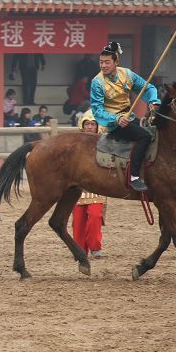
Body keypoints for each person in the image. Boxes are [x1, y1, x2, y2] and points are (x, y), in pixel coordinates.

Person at [90, 41, 160, 192]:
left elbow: (147, 88)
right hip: (113, 123)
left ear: (116, 62)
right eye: (101, 62)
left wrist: (153, 100)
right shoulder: (97, 82)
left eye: (107, 62)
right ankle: (134, 176)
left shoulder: (127, 74)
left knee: (153, 131)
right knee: (145, 137)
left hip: (128, 117)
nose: (103, 66)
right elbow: (97, 110)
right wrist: (115, 119)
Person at [72, 109, 107, 258]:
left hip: (97, 187)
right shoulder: (75, 144)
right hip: (78, 187)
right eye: (87, 124)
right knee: (78, 221)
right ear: (82, 125)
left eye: (93, 124)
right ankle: (79, 250)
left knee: (94, 216)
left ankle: (95, 247)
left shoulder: (105, 143)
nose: (90, 127)